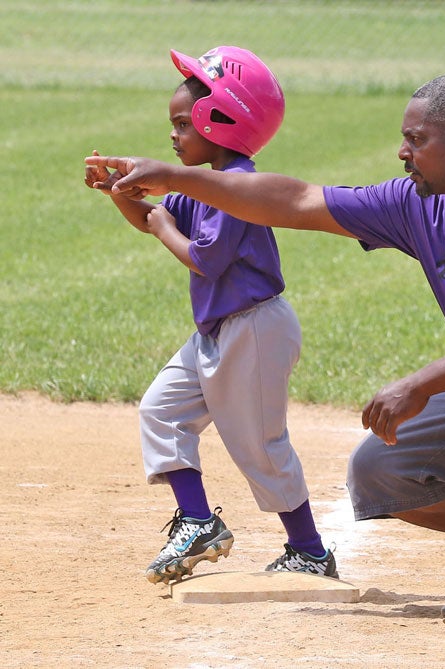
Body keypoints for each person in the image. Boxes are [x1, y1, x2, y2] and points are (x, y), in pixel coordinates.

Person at [86, 72, 445, 628]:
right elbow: (295, 200)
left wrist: (417, 384)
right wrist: (175, 178)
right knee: (381, 472)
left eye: (415, 139)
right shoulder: (420, 204)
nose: (402, 151)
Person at [84, 46, 338, 585]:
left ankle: (309, 550)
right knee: (161, 411)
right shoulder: (203, 182)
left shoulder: (236, 183)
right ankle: (198, 520)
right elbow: (154, 215)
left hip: (255, 329)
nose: (173, 136)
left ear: (219, 121)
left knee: (258, 447)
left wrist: (161, 228)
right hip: (221, 330)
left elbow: (205, 258)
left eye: (182, 123)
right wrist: (117, 191)